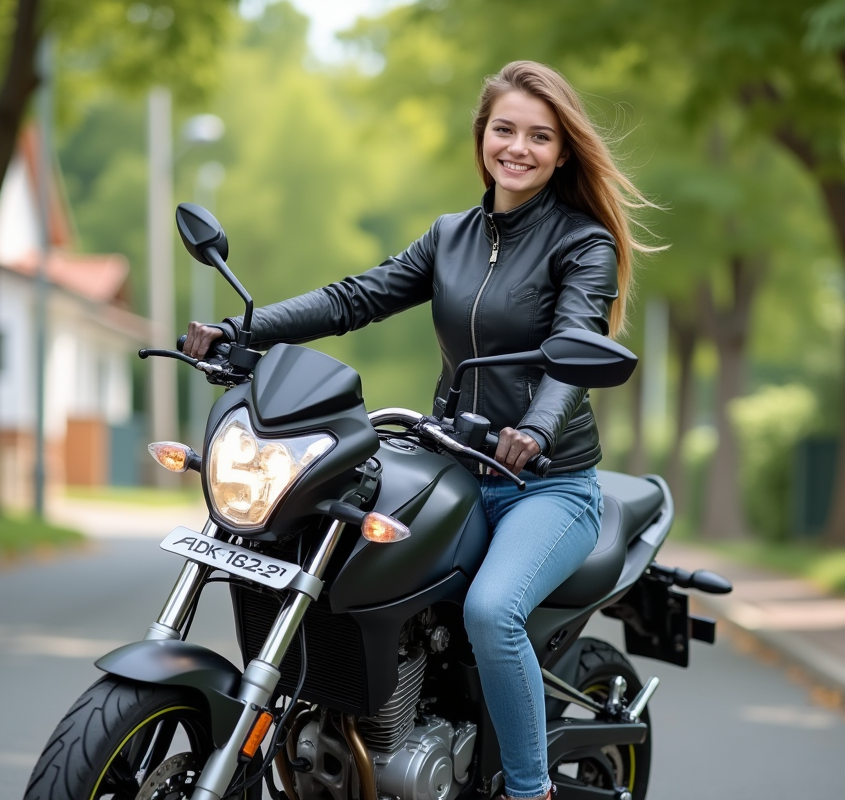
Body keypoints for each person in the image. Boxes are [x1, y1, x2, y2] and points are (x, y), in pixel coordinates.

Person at [184, 60, 652, 800]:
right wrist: (243, 330)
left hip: (545, 483)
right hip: (455, 460)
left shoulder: (582, 244)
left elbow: (574, 342)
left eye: (539, 136)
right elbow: (355, 298)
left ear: (562, 152)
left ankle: (531, 791)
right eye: (505, 130)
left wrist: (534, 424)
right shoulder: (451, 236)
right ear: (482, 137)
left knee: (492, 612)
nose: (519, 148)